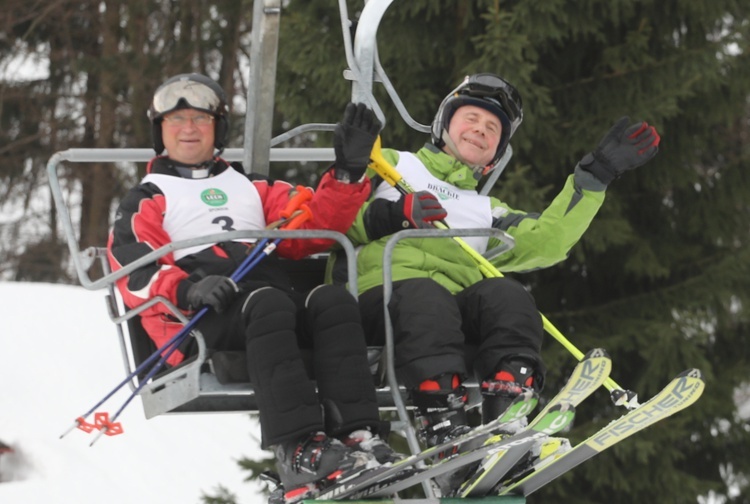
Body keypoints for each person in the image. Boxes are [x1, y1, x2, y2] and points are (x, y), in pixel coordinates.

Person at [107, 73, 400, 502]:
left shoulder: (251, 187)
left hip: (266, 301)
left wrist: (347, 173)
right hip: (198, 315)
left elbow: (316, 227)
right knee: (267, 304)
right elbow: (132, 264)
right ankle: (298, 449)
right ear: (160, 132)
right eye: (177, 120)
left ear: (218, 129)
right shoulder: (149, 196)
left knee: (331, 301)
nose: (189, 129)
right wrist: (188, 289)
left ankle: (356, 434)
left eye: (200, 119)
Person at [330, 73, 660, 449]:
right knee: (427, 296)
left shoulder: (487, 211)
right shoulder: (392, 166)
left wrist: (596, 176)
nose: (480, 130)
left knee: (508, 295)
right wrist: (394, 213)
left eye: (492, 129)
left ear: (496, 154)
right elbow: (336, 218)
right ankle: (442, 424)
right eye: (470, 118)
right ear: (444, 126)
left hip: (446, 316)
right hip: (379, 301)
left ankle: (508, 411)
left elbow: (547, 242)